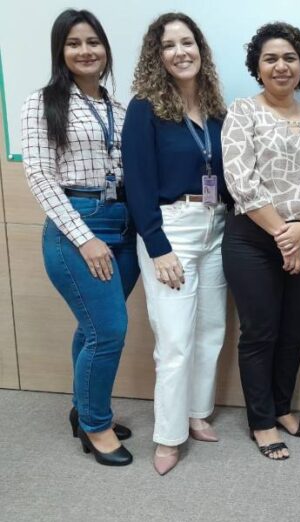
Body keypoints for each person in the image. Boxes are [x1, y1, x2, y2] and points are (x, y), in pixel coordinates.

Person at [21, 9, 138, 466]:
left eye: (93, 42)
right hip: (78, 223)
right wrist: (84, 237)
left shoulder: (119, 108)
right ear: (61, 51)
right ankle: (95, 425)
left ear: (105, 48)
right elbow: (40, 176)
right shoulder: (42, 102)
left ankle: (82, 409)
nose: (85, 51)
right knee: (108, 331)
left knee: (93, 327)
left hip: (124, 223)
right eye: (74, 43)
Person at [221, 22, 300, 461]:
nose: (281, 66)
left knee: (295, 331)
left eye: (290, 57)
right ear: (257, 67)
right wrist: (285, 239)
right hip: (252, 240)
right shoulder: (242, 112)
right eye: (270, 58)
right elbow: (242, 183)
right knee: (260, 332)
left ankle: (282, 406)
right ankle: (261, 421)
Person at [122, 12, 230, 475]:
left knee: (211, 329)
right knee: (175, 339)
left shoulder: (216, 108)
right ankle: (168, 437)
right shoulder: (144, 108)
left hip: (216, 225)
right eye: (169, 45)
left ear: (200, 49)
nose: (180, 52)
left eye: (187, 42)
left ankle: (196, 413)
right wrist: (157, 245)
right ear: (157, 56)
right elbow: (137, 181)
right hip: (171, 229)